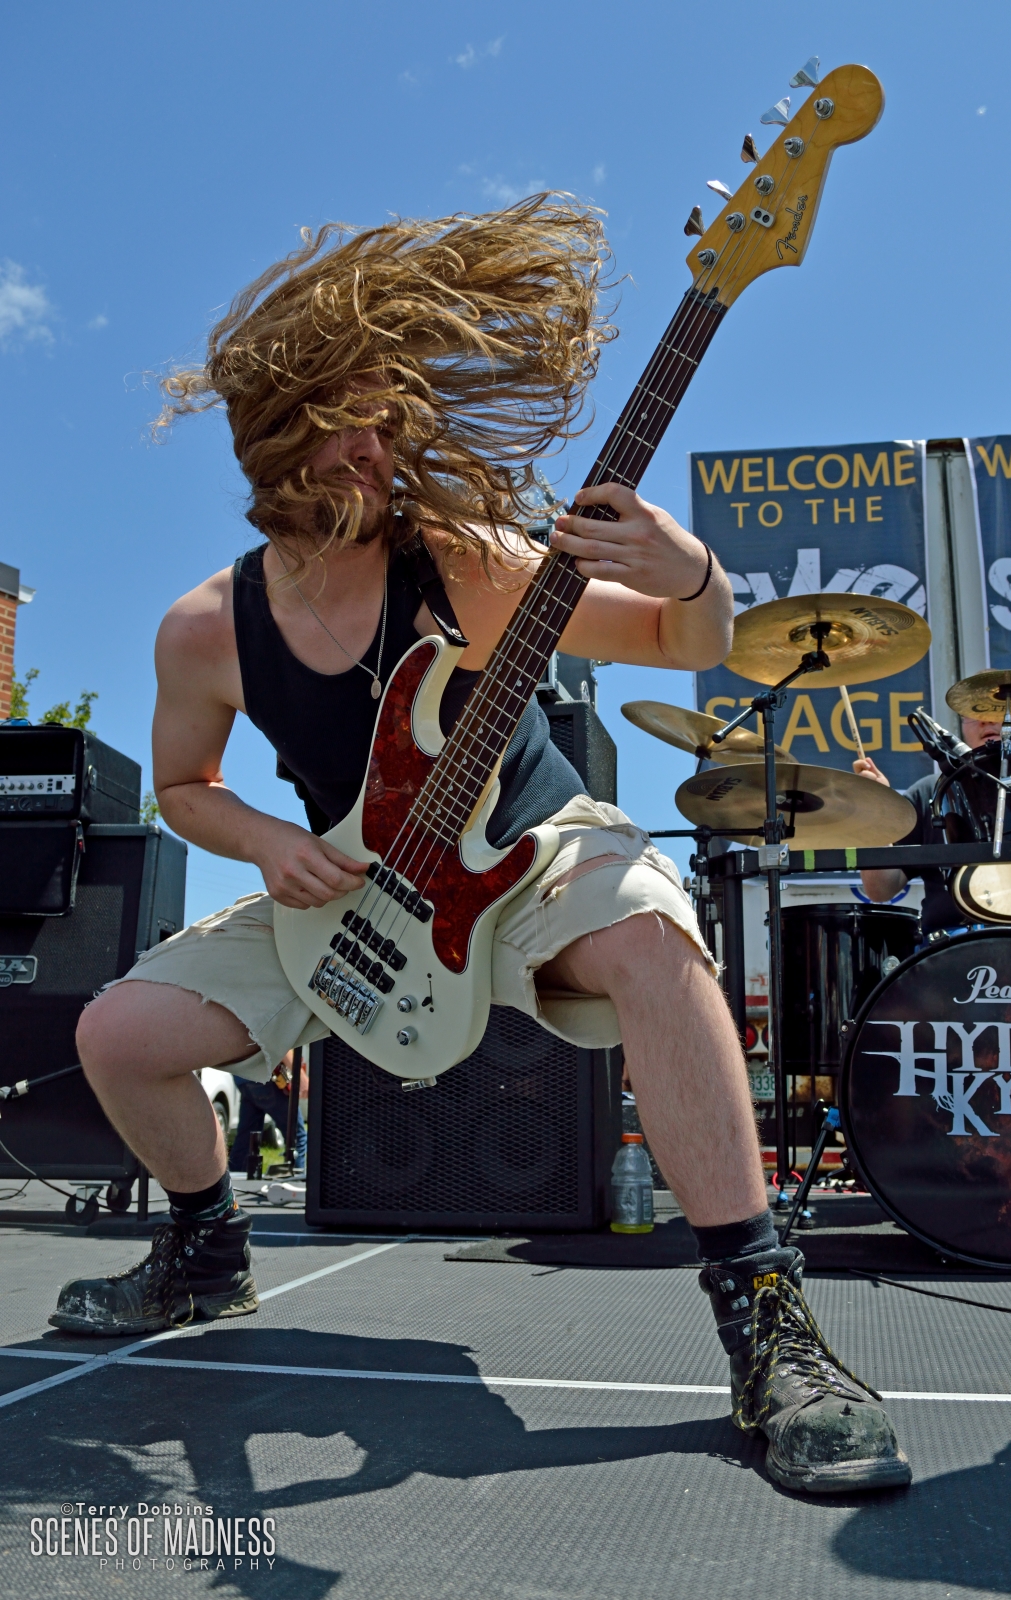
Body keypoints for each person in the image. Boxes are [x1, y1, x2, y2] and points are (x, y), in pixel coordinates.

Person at [49, 198, 909, 1495]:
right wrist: (267, 841)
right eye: (344, 423)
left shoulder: (464, 562)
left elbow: (682, 644)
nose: (374, 448)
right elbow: (182, 786)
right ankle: (205, 1250)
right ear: (275, 434)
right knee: (118, 1034)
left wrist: (690, 573)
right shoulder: (204, 628)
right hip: (357, 886)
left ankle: (765, 1318)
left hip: (530, 854)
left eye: (384, 422)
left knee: (651, 939)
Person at [856, 715, 1011, 936]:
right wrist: (875, 810)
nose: (985, 720)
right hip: (953, 946)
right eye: (974, 712)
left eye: (997, 709)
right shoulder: (930, 792)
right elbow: (880, 890)